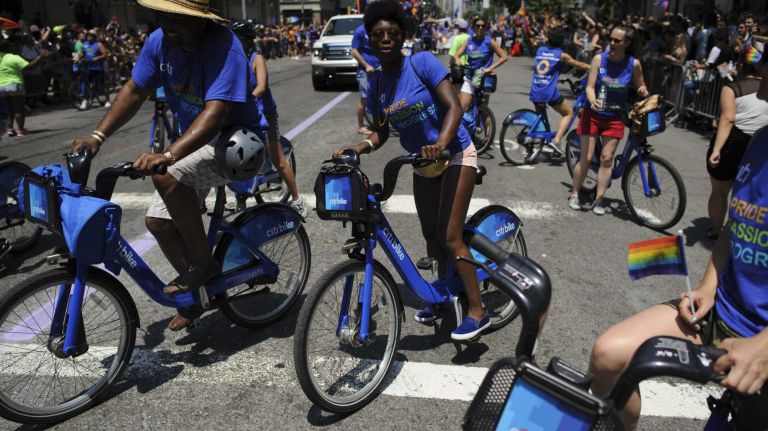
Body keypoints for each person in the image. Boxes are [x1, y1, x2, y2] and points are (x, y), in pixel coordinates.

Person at [589, 40, 768, 431]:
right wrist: (706, 287)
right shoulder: (760, 141)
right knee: (609, 356)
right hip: (723, 313)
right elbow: (736, 231)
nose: (759, 67)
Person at [70, 0, 266, 331]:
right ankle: (195, 297)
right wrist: (97, 136)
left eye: (178, 17)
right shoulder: (158, 42)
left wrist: (170, 154)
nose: (167, 23)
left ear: (200, 20)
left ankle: (203, 265)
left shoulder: (225, 45)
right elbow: (134, 90)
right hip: (197, 143)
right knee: (158, 223)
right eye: (161, 15)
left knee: (168, 177)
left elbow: (217, 111)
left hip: (239, 142)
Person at [332, 0, 486, 341]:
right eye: (377, 34)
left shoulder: (421, 63)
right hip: (422, 161)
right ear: (369, 39)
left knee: (450, 236)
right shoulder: (376, 84)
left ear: (403, 36)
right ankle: (445, 295)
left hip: (455, 152)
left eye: (392, 32)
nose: (385, 38)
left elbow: (454, 107)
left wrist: (442, 143)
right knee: (431, 236)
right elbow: (382, 130)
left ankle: (477, 310)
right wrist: (359, 147)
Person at [569, 26, 648, 214]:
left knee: (606, 159)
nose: (611, 43)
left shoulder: (633, 64)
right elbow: (589, 86)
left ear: (627, 44)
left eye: (617, 41)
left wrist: (642, 90)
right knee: (586, 158)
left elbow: (641, 83)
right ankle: (574, 194)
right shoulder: (599, 59)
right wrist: (592, 99)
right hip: (592, 114)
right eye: (610, 39)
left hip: (614, 117)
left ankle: (599, 199)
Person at [230, 20, 306, 217]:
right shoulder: (232, 59)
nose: (233, 42)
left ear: (247, 41)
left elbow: (261, 87)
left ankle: (297, 199)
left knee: (279, 161)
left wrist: (247, 100)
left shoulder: (257, 58)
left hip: (265, 115)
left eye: (237, 39)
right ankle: (241, 196)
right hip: (243, 115)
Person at [706, 51, 768, 240]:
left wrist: (717, 149)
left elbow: (727, 118)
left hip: (734, 142)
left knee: (719, 190)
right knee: (749, 192)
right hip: (759, 144)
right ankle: (741, 233)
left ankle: (717, 230)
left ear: (740, 67)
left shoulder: (732, 88)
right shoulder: (763, 89)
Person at [528, 27, 590, 156]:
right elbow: (578, 64)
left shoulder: (540, 50)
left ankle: (536, 138)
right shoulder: (561, 54)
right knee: (569, 113)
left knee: (543, 121)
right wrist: (592, 67)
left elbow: (548, 69)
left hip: (536, 90)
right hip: (548, 92)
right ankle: (556, 141)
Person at [452, 17, 507, 132]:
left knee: (484, 110)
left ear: (486, 27)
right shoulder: (469, 41)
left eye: (483, 26)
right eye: (477, 25)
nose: (480, 28)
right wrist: (458, 61)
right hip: (469, 78)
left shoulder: (489, 41)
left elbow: (504, 57)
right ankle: (463, 132)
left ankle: (487, 137)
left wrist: (490, 68)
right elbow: (456, 55)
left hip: (484, 79)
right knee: (462, 107)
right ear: (473, 27)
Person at [0, 39, 48, 137]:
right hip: (14, 85)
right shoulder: (13, 57)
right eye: (11, 46)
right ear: (8, 48)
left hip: (1, 87)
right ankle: (21, 130)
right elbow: (28, 66)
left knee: (9, 109)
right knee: (18, 109)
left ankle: (10, 129)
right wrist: (40, 57)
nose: (14, 48)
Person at [350, 22, 380, 135]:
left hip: (380, 68)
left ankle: (379, 123)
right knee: (364, 99)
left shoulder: (379, 28)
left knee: (381, 97)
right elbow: (354, 51)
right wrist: (366, 65)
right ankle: (361, 126)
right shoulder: (360, 31)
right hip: (365, 71)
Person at [80, 29, 110, 110]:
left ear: (94, 36)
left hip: (98, 68)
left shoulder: (99, 44)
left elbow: (105, 54)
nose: (88, 36)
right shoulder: (85, 44)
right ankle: (85, 100)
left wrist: (97, 57)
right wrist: (78, 57)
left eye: (90, 35)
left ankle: (107, 100)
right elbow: (83, 54)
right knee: (85, 84)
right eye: (88, 35)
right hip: (88, 67)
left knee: (101, 85)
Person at [448, 19, 469, 89]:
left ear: (459, 28)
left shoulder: (457, 38)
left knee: (458, 88)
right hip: (469, 67)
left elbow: (452, 54)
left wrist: (450, 65)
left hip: (458, 67)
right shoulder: (470, 38)